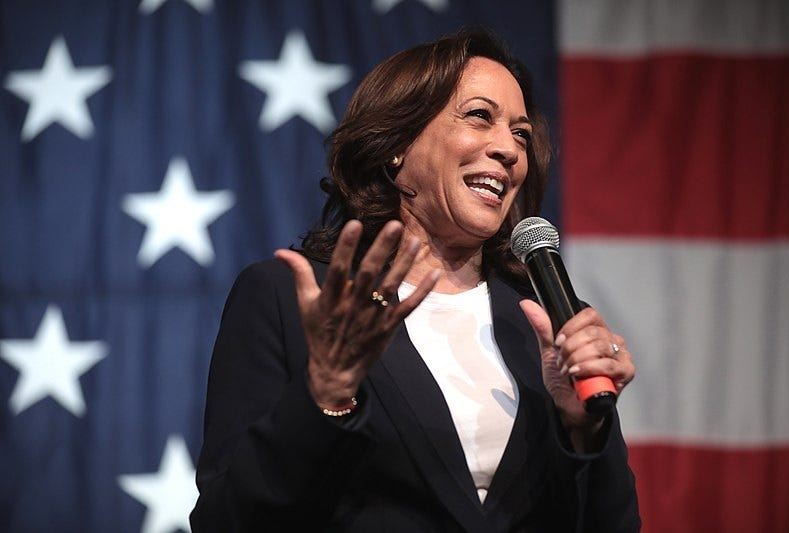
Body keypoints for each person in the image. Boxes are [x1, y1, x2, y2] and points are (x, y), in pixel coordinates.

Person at [190, 27, 640, 532]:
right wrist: (326, 394)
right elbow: (226, 521)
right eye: (479, 116)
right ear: (396, 147)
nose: (510, 151)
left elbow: (614, 525)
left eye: (520, 133)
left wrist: (582, 430)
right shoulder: (290, 299)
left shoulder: (543, 320)